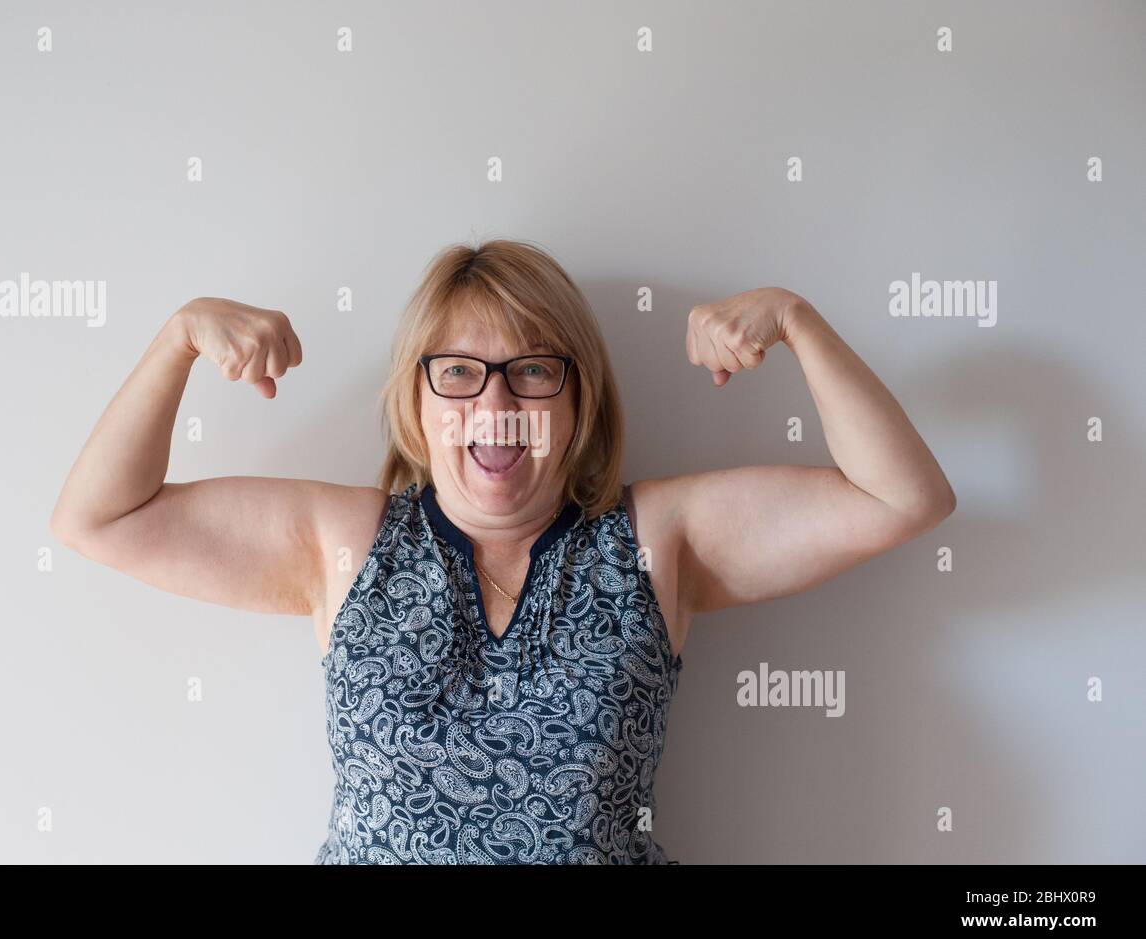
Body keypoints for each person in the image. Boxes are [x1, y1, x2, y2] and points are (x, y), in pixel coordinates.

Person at [49, 239, 956, 863]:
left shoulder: (654, 541)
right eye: (458, 371)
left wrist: (797, 322)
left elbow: (902, 495)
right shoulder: (344, 544)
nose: (494, 406)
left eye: (532, 368)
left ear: (576, 400)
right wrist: (178, 339)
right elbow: (99, 518)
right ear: (417, 401)